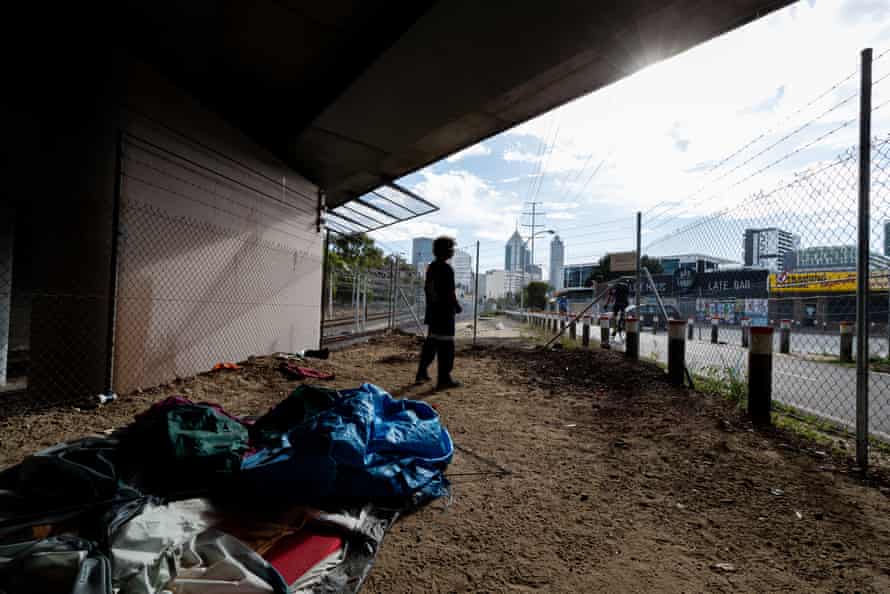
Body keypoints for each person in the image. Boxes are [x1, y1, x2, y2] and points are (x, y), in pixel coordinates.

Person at [415, 236, 463, 389]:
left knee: (432, 343)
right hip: (445, 313)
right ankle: (444, 379)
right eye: (451, 248)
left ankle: (421, 372)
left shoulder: (431, 267)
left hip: (433, 312)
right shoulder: (447, 269)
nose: (453, 251)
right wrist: (456, 306)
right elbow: (450, 292)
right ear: (445, 250)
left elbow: (428, 289)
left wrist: (433, 306)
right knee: (447, 346)